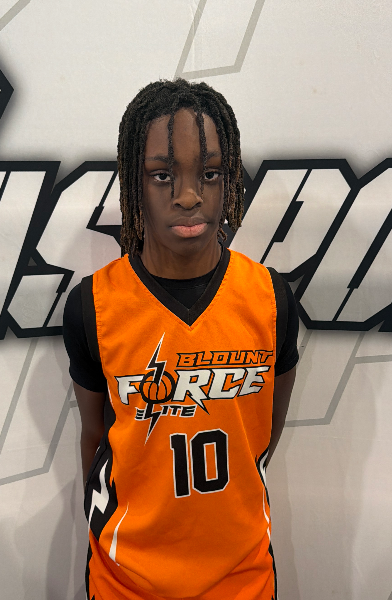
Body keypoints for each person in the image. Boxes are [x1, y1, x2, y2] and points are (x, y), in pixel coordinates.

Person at [63, 78, 299, 600]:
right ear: (133, 183)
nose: (189, 196)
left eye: (210, 173)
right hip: (125, 581)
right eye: (162, 175)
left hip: (242, 579)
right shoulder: (91, 305)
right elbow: (95, 436)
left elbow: (262, 435)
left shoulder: (271, 298)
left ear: (229, 179)